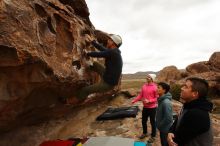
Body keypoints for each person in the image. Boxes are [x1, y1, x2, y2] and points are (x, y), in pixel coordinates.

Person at [65, 34, 123, 104]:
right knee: (95, 64)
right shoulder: (114, 52)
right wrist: (92, 42)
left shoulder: (114, 52)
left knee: (85, 90)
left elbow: (100, 54)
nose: (108, 41)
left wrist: (88, 53)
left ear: (113, 43)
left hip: (108, 84)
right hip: (107, 75)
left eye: (110, 40)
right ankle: (87, 71)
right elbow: (102, 49)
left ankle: (69, 101)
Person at [167, 77, 213, 146]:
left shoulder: (197, 114)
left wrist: (169, 138)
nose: (181, 88)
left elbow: (178, 141)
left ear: (194, 94)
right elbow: (177, 121)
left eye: (185, 87)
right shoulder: (188, 106)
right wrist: (170, 132)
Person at [131, 74, 158, 143]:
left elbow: (157, 97)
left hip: (152, 108)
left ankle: (153, 136)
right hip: (145, 107)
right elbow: (140, 95)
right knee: (143, 121)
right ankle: (145, 133)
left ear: (152, 79)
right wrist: (134, 100)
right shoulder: (144, 86)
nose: (147, 77)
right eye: (147, 76)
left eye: (149, 77)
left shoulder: (155, 87)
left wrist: (149, 101)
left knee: (152, 122)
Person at [156, 82, 173, 146]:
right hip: (163, 128)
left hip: (165, 130)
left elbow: (168, 118)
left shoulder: (166, 102)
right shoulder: (161, 100)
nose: (156, 89)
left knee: (165, 144)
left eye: (158, 88)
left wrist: (160, 125)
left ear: (164, 90)